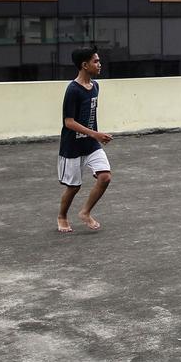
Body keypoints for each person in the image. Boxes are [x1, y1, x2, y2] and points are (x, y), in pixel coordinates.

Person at [57, 48, 113, 233]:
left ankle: (85, 212)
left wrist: (94, 137)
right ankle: (62, 216)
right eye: (96, 61)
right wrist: (95, 134)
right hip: (72, 147)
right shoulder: (73, 90)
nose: (99, 64)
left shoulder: (95, 86)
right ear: (84, 65)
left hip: (90, 145)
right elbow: (69, 122)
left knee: (105, 177)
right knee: (74, 187)